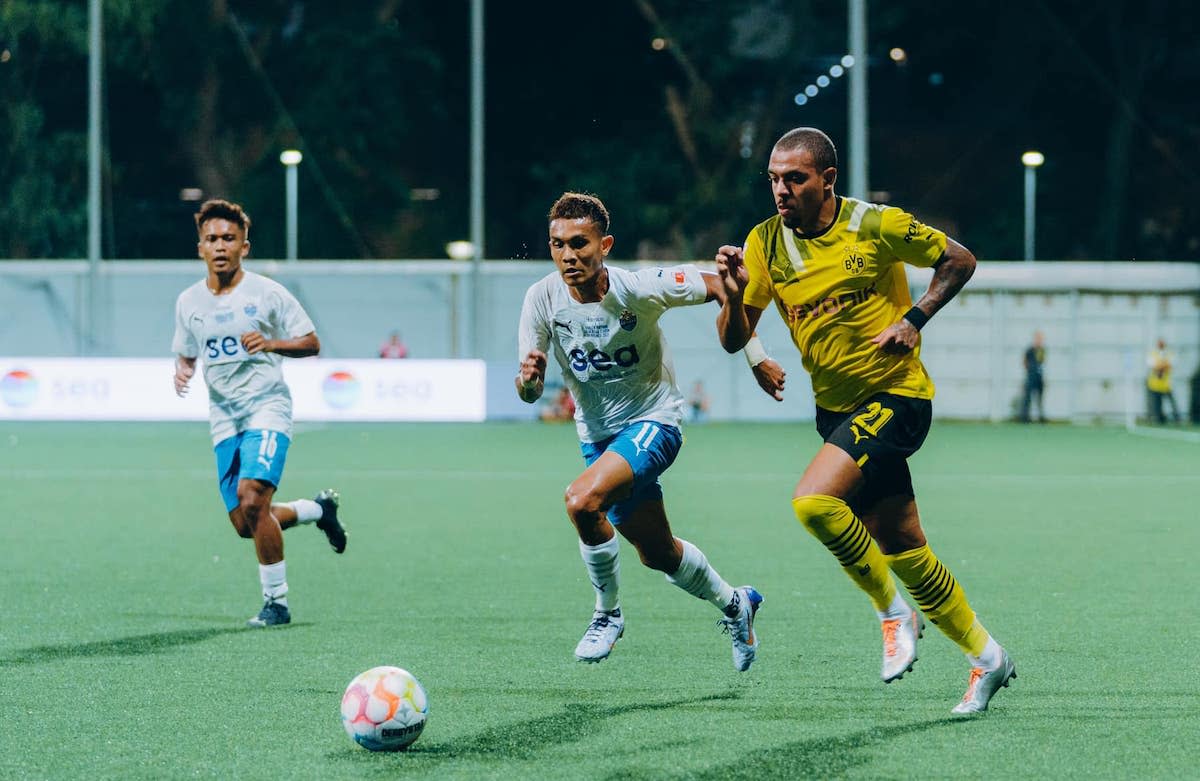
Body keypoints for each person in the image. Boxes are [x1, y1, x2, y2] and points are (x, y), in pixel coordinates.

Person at [714, 127, 1014, 714]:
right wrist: (731, 295)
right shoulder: (764, 243)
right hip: (835, 409)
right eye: (773, 178)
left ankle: (892, 614)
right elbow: (733, 339)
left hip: (896, 397)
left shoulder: (874, 224)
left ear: (827, 180)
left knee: (813, 502)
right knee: (904, 545)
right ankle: (987, 657)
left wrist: (915, 318)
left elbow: (960, 260)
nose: (781, 189)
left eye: (794, 178)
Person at [516, 191, 762, 670]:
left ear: (604, 244)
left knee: (582, 500)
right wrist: (528, 381)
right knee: (659, 554)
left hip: (655, 421)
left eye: (580, 244)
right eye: (558, 244)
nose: (569, 255)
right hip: (599, 438)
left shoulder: (639, 288)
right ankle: (737, 604)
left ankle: (607, 615)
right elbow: (526, 392)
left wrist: (756, 354)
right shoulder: (541, 299)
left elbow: (719, 287)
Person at [172, 199, 348, 628]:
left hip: (266, 406)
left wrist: (270, 344)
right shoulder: (188, 302)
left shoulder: (267, 293)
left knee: (254, 498)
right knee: (244, 522)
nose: (220, 246)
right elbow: (189, 350)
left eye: (228, 239)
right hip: (224, 418)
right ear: (200, 248)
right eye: (211, 239)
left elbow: (311, 342)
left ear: (244, 247)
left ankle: (277, 603)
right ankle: (317, 510)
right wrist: (184, 369)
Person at [1146, 338, 1181, 424]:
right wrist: (1163, 365)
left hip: (1166, 384)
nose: (1160, 345)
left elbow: (1171, 364)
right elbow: (1153, 365)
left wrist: (1160, 365)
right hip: (1155, 384)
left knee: (1172, 402)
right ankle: (1159, 419)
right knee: (1157, 404)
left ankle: (1177, 418)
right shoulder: (1153, 354)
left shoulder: (1169, 353)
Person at [1020, 331, 1046, 423]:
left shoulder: (1042, 350)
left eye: (1041, 339)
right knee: (1027, 397)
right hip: (1031, 376)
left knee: (1040, 397)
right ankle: (1024, 417)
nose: (1039, 340)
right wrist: (1029, 370)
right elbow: (1024, 361)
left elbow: (1042, 361)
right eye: (1038, 338)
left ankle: (1041, 417)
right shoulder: (1030, 349)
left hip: (1039, 376)